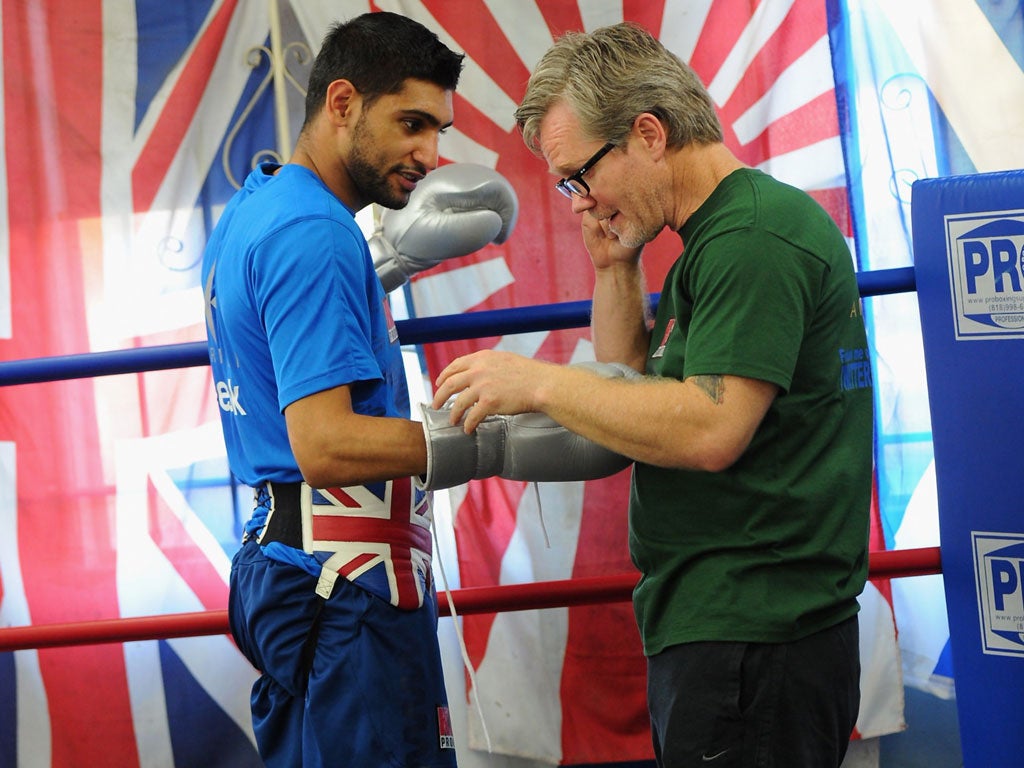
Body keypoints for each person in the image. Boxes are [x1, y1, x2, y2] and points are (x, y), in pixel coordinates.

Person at [431, 22, 874, 768]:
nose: (578, 201)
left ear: (648, 133)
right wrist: (614, 269)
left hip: (758, 634)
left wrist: (538, 380)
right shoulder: (715, 239)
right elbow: (631, 393)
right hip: (730, 628)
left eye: (580, 175)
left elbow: (710, 428)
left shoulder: (751, 239)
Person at [201, 11, 630, 767]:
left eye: (438, 129)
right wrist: (488, 440)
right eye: (410, 123)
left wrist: (382, 261)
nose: (430, 153)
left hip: (293, 566)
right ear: (341, 104)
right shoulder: (315, 236)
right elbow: (326, 443)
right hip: (344, 588)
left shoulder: (260, 206)